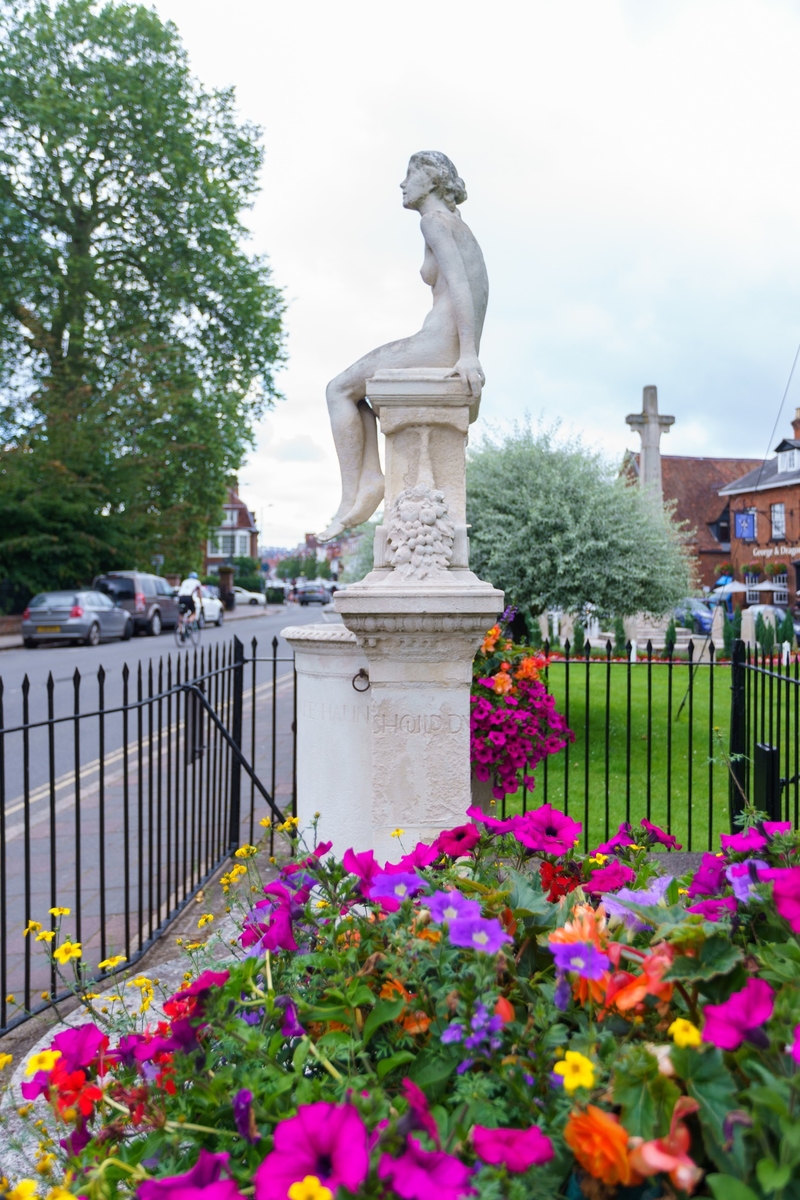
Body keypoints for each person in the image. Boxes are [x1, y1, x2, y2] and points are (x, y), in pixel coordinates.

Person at [318, 151, 488, 542]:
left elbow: (461, 286)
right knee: (354, 393)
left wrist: (467, 354)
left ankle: (352, 496)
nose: (402, 183)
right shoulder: (458, 226)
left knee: (338, 389)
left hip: (439, 344)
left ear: (431, 179)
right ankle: (371, 479)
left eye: (410, 174)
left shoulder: (434, 222)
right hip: (447, 342)